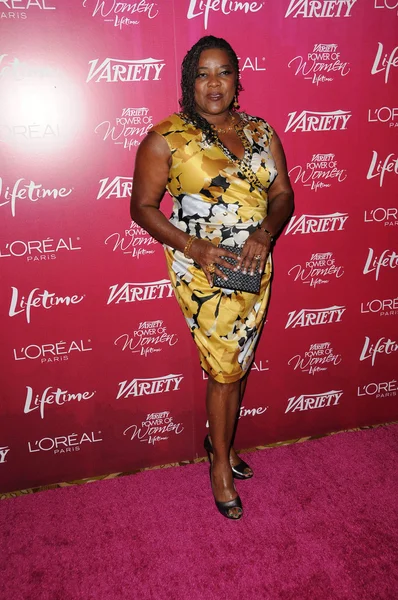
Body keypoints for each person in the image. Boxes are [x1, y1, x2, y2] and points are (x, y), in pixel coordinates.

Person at [130, 35, 294, 520]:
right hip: (204, 268)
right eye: (203, 73)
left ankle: (217, 441)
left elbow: (283, 193)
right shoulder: (167, 137)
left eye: (223, 71)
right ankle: (220, 463)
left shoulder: (262, 132)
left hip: (254, 265)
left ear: (237, 79)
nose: (214, 83)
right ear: (190, 82)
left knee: (237, 363)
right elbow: (141, 208)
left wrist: (265, 234)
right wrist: (196, 247)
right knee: (224, 369)